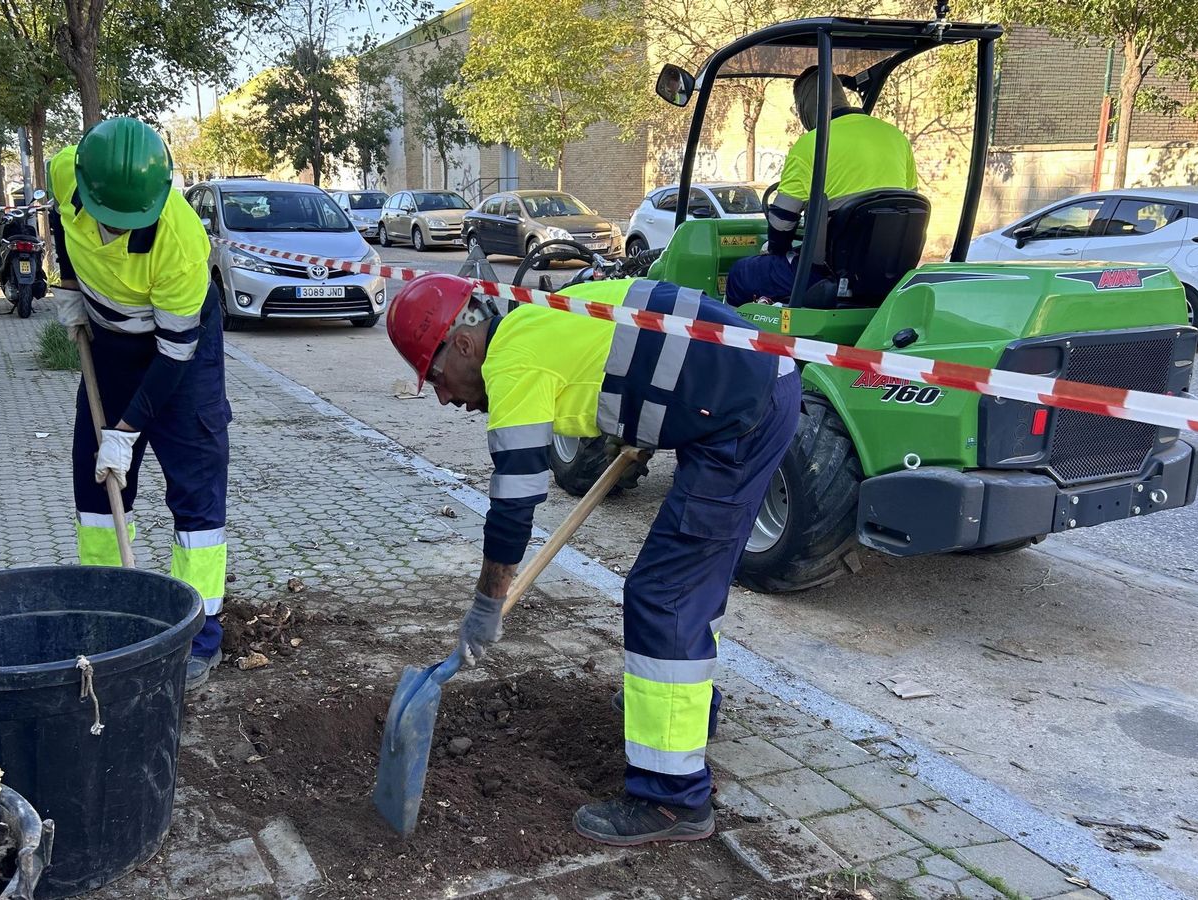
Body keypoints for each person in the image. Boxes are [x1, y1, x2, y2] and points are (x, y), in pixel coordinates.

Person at [386, 272, 801, 846]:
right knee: (687, 583)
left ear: (462, 344)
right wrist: (650, 415)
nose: (444, 395)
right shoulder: (536, 315)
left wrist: (487, 604)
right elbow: (642, 334)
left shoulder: (511, 361)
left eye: (435, 376)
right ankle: (682, 711)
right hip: (749, 386)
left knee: (666, 595)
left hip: (742, 414)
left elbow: (514, 505)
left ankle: (672, 798)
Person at [47, 117, 230, 689]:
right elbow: (59, 224)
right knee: (96, 491)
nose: (115, 230)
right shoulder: (67, 173)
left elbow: (174, 357)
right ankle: (107, 620)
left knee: (196, 496)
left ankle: (199, 636)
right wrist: (71, 286)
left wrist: (125, 432)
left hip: (181, 356)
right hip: (107, 345)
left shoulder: (178, 240)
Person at [726, 66, 918, 305]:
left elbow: (782, 222)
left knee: (742, 274)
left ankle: (734, 341)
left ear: (806, 105)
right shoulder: (896, 137)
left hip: (829, 274)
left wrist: (777, 248)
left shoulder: (811, 145)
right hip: (888, 273)